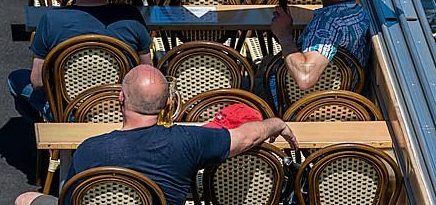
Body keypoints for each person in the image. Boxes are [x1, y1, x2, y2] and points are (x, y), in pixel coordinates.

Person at [15, 65, 298, 205]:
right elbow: (246, 137)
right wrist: (276, 124)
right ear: (166, 105)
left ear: (120, 99)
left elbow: (70, 198)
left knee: (26, 199)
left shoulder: (90, 149)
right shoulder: (188, 141)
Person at [8, 0, 153, 121]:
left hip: (66, 110)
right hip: (117, 107)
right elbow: (147, 71)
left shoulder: (51, 19)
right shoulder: (131, 16)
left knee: (15, 79)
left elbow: (38, 81)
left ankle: (49, 127)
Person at [270, 0, 370, 91]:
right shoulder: (361, 13)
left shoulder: (327, 24)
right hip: (346, 100)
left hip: (301, 103)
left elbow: (305, 78)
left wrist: (284, 35)